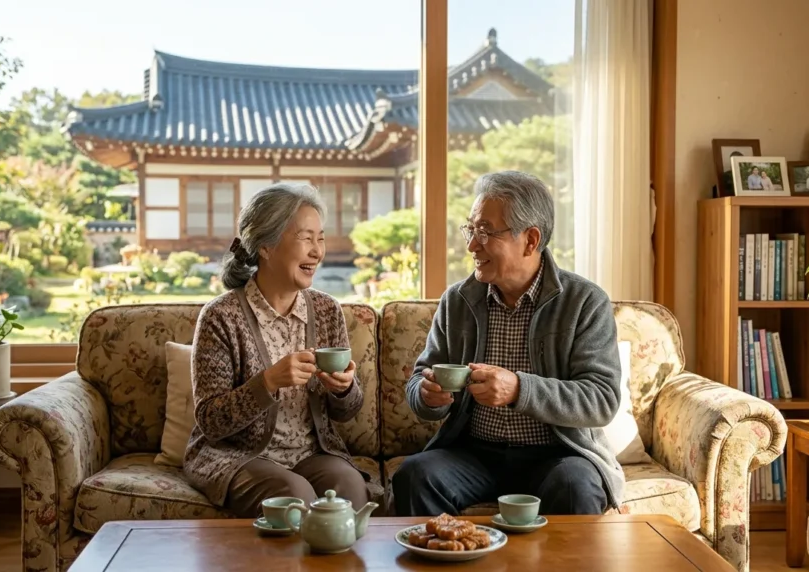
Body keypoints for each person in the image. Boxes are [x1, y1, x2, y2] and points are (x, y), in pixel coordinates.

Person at [391, 171, 624, 518]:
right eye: (470, 229)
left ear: (530, 240)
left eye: (485, 231)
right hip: (474, 454)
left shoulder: (584, 302)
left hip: (556, 454)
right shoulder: (458, 300)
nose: (472, 245)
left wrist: (519, 389)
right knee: (416, 475)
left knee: (577, 485)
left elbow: (602, 400)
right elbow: (421, 376)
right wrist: (427, 396)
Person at [183, 182, 369, 519]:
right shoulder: (221, 317)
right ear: (266, 247)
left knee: (349, 487)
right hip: (238, 456)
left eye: (321, 237)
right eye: (306, 238)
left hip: (312, 454)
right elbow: (211, 421)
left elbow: (347, 412)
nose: (317, 251)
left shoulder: (327, 310)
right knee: (292, 496)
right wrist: (267, 382)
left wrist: (343, 389)